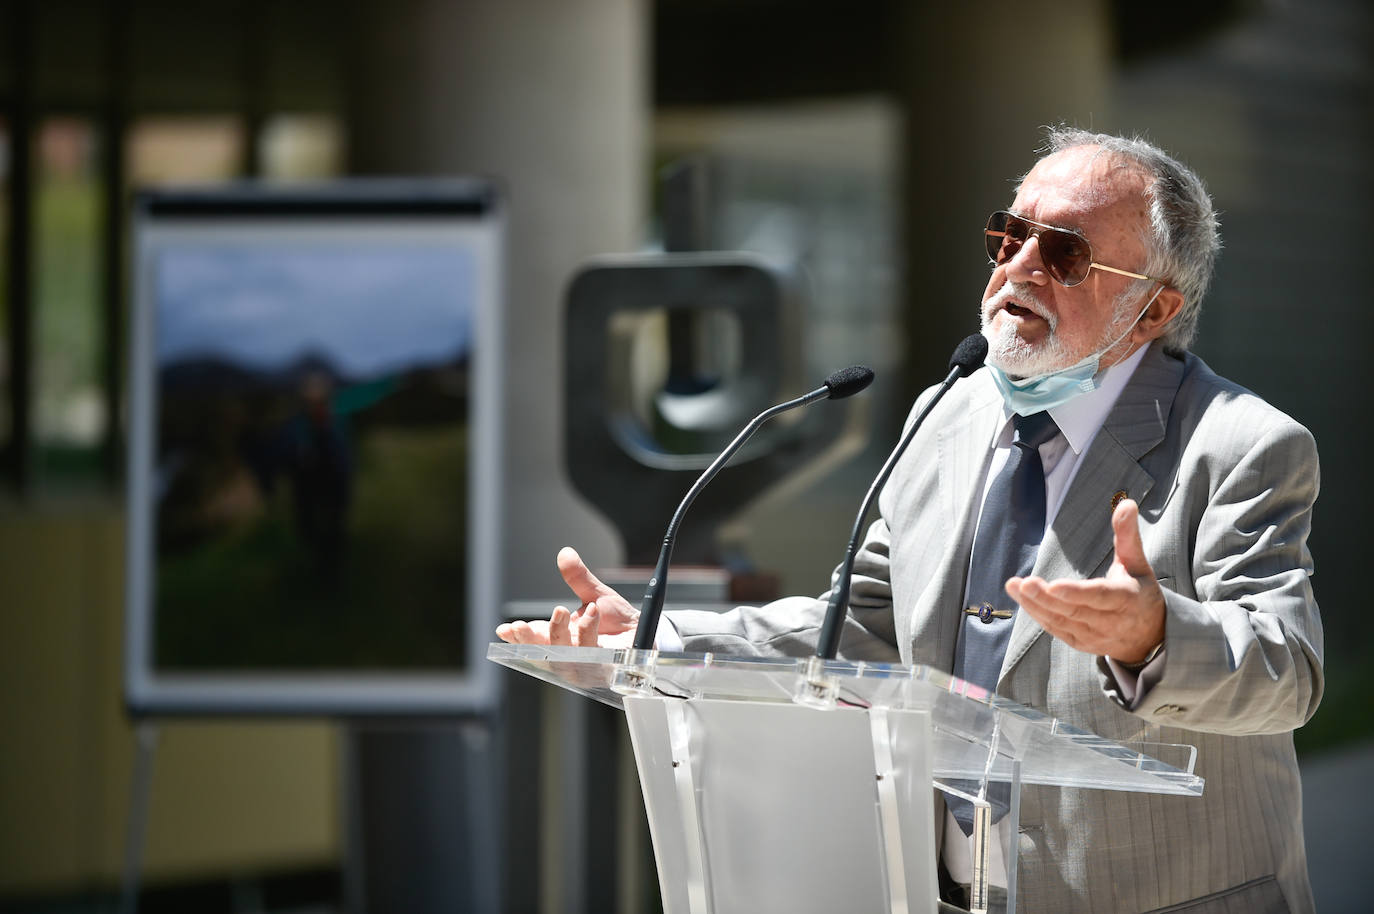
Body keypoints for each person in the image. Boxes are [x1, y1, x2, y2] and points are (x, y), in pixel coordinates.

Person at [498, 128, 1323, 914]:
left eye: (1064, 252)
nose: (1020, 268)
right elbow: (861, 626)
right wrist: (653, 637)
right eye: (1010, 235)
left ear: (1152, 311)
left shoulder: (1241, 446)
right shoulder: (947, 416)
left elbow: (1289, 671)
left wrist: (1152, 637)